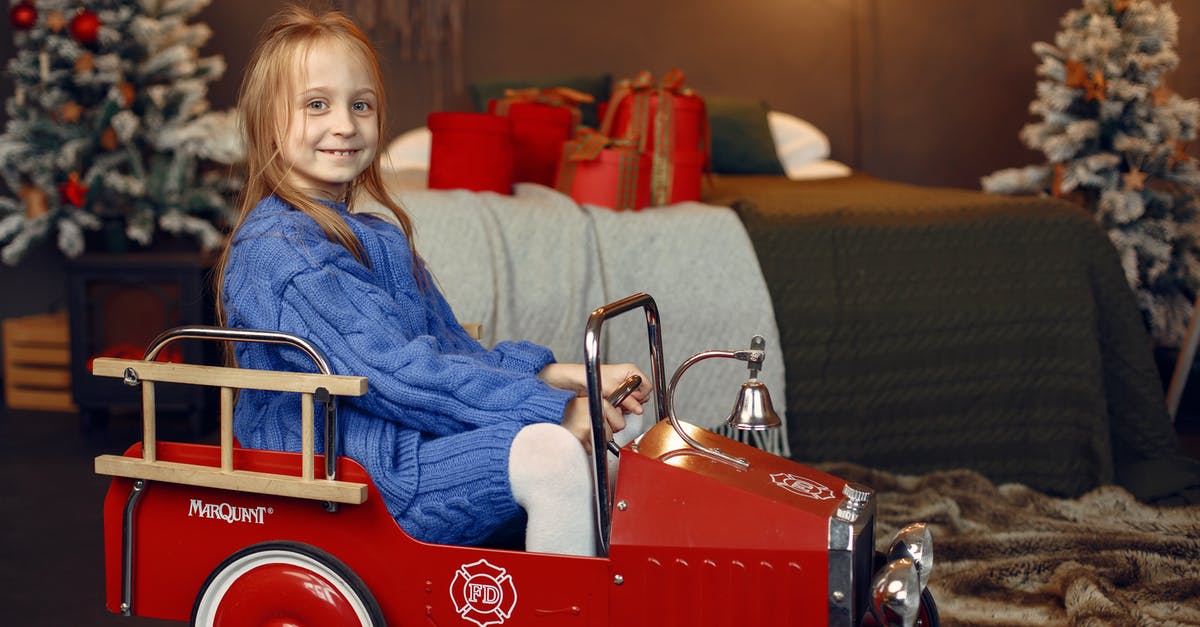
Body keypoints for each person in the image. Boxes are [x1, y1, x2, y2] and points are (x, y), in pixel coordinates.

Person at [213, 5, 651, 557]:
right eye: (316, 105)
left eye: (361, 104)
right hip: (351, 471)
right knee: (553, 454)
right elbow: (394, 375)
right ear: (266, 121)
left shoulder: (376, 235)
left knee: (616, 434)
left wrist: (558, 376)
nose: (345, 124)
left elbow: (448, 350)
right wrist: (554, 411)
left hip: (405, 441)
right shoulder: (283, 253)